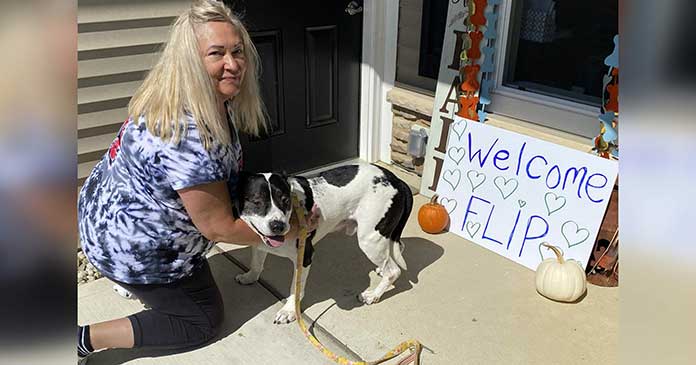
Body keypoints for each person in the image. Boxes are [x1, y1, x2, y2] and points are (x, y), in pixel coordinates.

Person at [77, 0, 314, 360]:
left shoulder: (182, 96)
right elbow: (218, 228)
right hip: (130, 247)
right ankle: (81, 339)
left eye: (238, 51)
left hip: (105, 218)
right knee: (202, 320)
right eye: (216, 53)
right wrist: (290, 232)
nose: (233, 64)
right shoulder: (188, 135)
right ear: (190, 60)